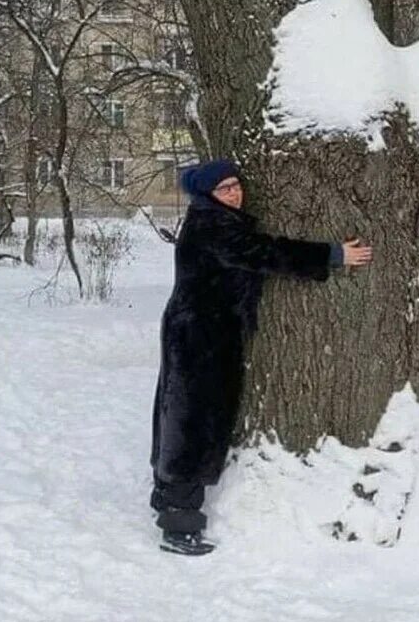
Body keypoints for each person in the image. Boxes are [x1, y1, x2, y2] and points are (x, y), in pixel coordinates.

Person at [150, 158, 372, 556]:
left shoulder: (213, 219)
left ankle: (167, 497)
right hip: (200, 335)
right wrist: (331, 255)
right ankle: (179, 524)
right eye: (225, 189)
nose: (235, 192)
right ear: (208, 195)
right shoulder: (212, 224)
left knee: (181, 413)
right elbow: (263, 253)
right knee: (192, 421)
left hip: (200, 329)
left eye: (236, 185)